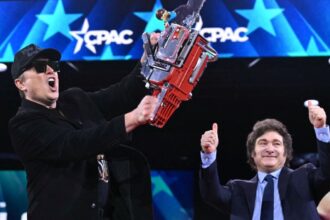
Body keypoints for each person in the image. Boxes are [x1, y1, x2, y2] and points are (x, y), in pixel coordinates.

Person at [8, 41, 159, 220]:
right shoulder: (23, 125)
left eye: (54, 66)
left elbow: (121, 94)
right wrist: (132, 118)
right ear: (21, 84)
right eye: (40, 67)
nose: (51, 71)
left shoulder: (74, 100)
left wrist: (148, 59)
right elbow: (75, 143)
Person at [199, 102, 330, 220]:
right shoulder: (238, 189)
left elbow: (327, 173)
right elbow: (212, 194)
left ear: (286, 153)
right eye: (263, 143)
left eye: (276, 143)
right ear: (253, 154)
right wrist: (209, 154)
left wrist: (321, 129)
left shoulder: (304, 177)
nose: (270, 149)